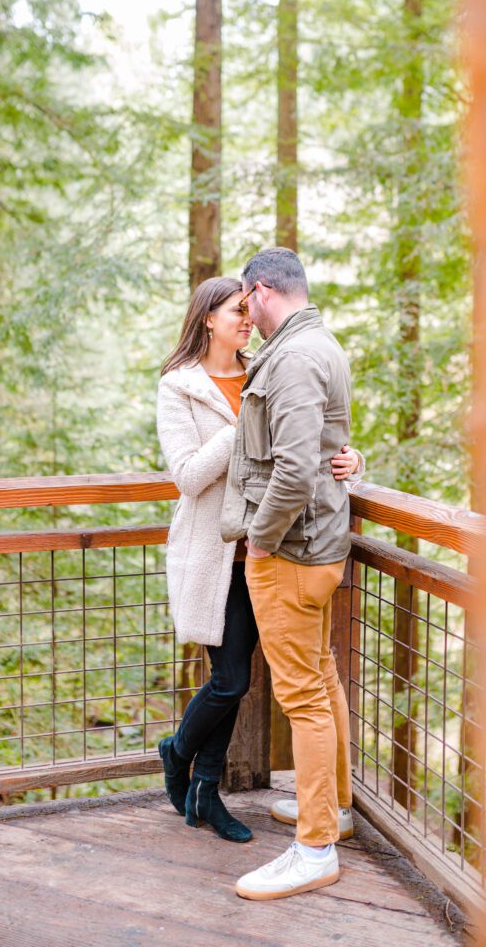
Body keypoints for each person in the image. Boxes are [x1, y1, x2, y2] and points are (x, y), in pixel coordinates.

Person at [156, 275, 362, 844]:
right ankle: (178, 754)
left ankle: (204, 792)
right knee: (226, 681)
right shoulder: (180, 386)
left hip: (271, 550)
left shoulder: (265, 368)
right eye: (234, 311)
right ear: (207, 319)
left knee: (239, 678)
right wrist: (241, 426)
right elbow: (189, 476)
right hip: (216, 550)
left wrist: (353, 460)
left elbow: (309, 444)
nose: (247, 319)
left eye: (249, 309)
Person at [220, 247, 357, 900]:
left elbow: (298, 467)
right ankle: (333, 812)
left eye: (245, 301)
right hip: (316, 546)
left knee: (301, 696)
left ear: (259, 290)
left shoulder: (296, 357)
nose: (245, 312)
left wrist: (262, 542)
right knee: (321, 679)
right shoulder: (318, 345)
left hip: (293, 552)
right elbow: (324, 449)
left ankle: (314, 848)